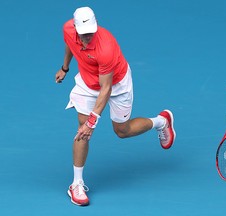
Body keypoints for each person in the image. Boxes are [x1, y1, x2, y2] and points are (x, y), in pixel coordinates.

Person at [55, 6, 176, 206]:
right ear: (75, 28)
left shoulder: (106, 47)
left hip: (116, 84)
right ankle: (76, 183)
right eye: (83, 34)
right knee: (81, 129)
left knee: (122, 130)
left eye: (91, 33)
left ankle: (161, 121)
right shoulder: (68, 29)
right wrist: (64, 68)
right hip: (87, 83)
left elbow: (106, 88)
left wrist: (93, 122)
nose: (87, 38)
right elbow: (70, 44)